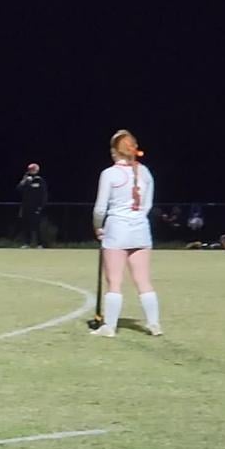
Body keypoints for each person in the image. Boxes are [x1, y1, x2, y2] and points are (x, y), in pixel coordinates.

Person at [91, 130, 161, 337]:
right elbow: (147, 205)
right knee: (143, 280)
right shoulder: (145, 172)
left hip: (117, 230)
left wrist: (98, 226)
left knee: (114, 281)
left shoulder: (109, 173)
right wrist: (137, 219)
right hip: (141, 229)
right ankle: (154, 324)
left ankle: (110, 327)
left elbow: (100, 209)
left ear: (114, 151)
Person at [16, 162, 47, 248]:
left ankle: (39, 244)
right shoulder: (26, 179)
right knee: (26, 226)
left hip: (36, 207)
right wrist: (24, 181)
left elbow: (44, 195)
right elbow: (19, 189)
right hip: (26, 207)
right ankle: (26, 243)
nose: (31, 171)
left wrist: (40, 207)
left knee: (37, 227)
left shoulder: (40, 180)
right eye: (30, 169)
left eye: (33, 169)